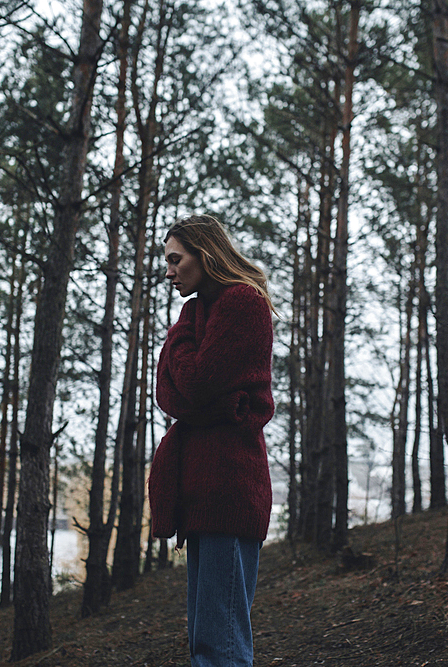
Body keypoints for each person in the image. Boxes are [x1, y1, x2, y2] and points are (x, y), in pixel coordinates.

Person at [148, 214, 275, 667]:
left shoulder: (242, 302)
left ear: (206, 253)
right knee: (207, 636)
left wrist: (178, 338)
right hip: (203, 487)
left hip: (230, 485)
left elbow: (195, 385)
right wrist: (198, 395)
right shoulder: (198, 308)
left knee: (219, 643)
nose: (168, 271)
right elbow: (168, 395)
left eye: (175, 259)